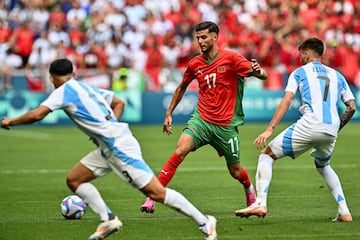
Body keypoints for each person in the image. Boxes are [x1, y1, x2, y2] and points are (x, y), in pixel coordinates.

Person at [1, 58, 217, 240]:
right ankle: (108, 220)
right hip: (110, 143)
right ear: (73, 73)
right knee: (74, 179)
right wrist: (109, 127)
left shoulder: (63, 90)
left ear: (51, 78)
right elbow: (119, 102)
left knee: (156, 193)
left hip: (117, 146)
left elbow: (38, 114)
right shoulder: (84, 87)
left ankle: (205, 222)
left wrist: (11, 121)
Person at [140, 21, 268, 213]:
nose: (200, 41)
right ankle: (152, 197)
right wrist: (169, 113)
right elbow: (182, 86)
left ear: (215, 37)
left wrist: (259, 71)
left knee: (235, 171)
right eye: (197, 37)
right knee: (180, 149)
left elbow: (262, 75)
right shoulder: (195, 63)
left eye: (204, 37)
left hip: (225, 125)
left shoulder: (231, 59)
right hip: (202, 119)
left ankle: (249, 189)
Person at [235, 37, 356, 222]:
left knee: (266, 155)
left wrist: (270, 129)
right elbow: (352, 106)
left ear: (307, 54)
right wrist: (335, 129)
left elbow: (287, 100)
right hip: (332, 127)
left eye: (301, 55)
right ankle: (344, 211)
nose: (300, 58)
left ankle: (260, 202)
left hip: (310, 123)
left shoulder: (299, 73)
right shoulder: (336, 75)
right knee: (323, 165)